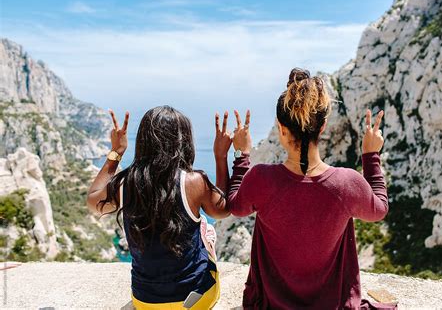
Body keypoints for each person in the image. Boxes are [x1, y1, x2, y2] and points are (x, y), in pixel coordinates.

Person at [224, 68, 389, 309]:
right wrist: (371, 155)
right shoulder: (346, 183)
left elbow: (234, 206)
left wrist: (242, 154)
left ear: (281, 128)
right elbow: (380, 209)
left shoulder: (261, 179)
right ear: (322, 128)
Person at [87, 105, 232, 309]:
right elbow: (223, 210)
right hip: (194, 301)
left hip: (145, 301)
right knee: (206, 228)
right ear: (184, 142)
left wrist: (116, 152)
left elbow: (93, 201)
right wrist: (221, 156)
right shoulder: (194, 182)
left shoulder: (125, 183)